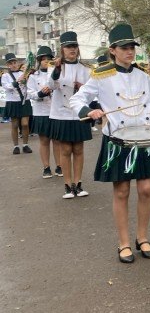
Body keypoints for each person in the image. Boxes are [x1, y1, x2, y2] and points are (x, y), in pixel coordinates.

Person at [70, 22, 150, 263]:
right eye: (124, 48)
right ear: (113, 50)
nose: (129, 51)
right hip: (118, 140)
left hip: (144, 138)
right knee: (121, 191)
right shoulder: (101, 75)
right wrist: (91, 111)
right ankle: (123, 242)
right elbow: (77, 99)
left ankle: (142, 237)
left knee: (146, 189)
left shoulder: (143, 75)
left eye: (131, 47)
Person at [47, 31, 93, 199]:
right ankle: (67, 185)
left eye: (74, 46)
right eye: (68, 47)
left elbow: (92, 94)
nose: (72, 49)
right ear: (62, 49)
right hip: (61, 113)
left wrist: (82, 88)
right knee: (66, 149)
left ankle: (78, 184)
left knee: (79, 148)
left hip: (79, 113)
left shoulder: (85, 70)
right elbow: (51, 86)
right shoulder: (55, 68)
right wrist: (57, 70)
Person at [27, 46, 62, 178]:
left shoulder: (56, 73)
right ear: (39, 61)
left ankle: (59, 166)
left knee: (57, 140)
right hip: (41, 111)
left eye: (48, 59)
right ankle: (46, 167)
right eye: (43, 59)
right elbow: (29, 93)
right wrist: (40, 93)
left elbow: (60, 87)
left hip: (55, 110)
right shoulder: (33, 76)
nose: (46, 61)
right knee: (44, 141)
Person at [2, 53, 33, 154]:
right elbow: (7, 87)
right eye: (11, 63)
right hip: (13, 101)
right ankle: (16, 146)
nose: (14, 65)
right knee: (14, 125)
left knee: (25, 124)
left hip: (24, 100)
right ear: (8, 65)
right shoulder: (5, 76)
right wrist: (17, 81)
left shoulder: (24, 73)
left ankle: (25, 144)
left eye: (15, 62)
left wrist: (27, 78)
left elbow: (30, 85)